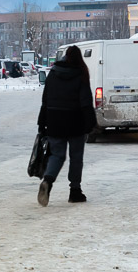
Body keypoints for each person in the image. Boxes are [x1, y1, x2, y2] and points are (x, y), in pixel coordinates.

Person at [36, 45, 98, 206]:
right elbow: (85, 102)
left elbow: (45, 100)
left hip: (54, 120)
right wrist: (91, 123)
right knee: (76, 157)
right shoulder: (81, 74)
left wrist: (42, 123)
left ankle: (48, 181)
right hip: (75, 121)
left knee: (57, 155)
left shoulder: (53, 73)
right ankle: (75, 191)